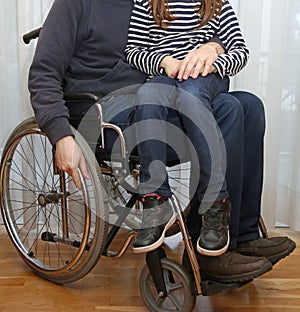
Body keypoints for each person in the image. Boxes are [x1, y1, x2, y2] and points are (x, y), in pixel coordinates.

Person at [28, 0, 295, 285]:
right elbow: (43, 73)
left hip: (163, 97)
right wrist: (61, 135)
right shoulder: (77, 4)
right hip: (108, 115)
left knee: (249, 107)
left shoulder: (150, 1)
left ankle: (240, 235)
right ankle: (206, 255)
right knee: (226, 115)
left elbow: (190, 30)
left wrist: (215, 45)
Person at [124, 0, 249, 256]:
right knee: (147, 95)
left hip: (205, 76)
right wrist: (164, 61)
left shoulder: (217, 4)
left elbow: (240, 51)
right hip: (165, 73)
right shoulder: (146, 3)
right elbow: (133, 50)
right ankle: (155, 201)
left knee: (191, 94)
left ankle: (216, 202)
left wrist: (214, 63)